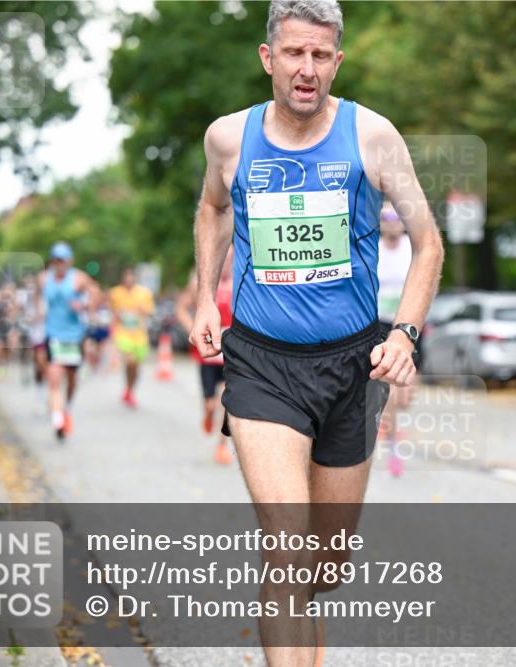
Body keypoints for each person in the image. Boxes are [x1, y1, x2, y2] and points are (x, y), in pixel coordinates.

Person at [188, 2, 444, 664]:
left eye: (321, 56)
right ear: (268, 57)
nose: (307, 70)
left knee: (323, 565)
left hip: (352, 366)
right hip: (262, 365)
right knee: (286, 542)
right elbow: (213, 208)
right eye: (294, 54)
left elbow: (428, 241)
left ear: (338, 61)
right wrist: (205, 302)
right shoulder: (229, 138)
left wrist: (406, 334)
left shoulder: (373, 136)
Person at [175, 248, 235, 464]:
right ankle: (208, 413)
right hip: (208, 355)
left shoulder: (242, 282)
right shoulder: (201, 285)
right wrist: (193, 328)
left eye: (230, 259)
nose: (227, 263)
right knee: (211, 403)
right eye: (224, 259)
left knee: (226, 399)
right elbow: (181, 308)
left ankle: (221, 445)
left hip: (231, 354)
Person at [38, 242, 100, 440]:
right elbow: (38, 301)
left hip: (74, 337)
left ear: (70, 260)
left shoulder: (78, 278)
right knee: (54, 376)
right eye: (56, 259)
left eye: (63, 259)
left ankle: (66, 409)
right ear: (52, 261)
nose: (59, 263)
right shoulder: (43, 279)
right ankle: (57, 419)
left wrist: (84, 305)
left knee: (72, 379)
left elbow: (97, 294)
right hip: (53, 334)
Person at [376, 203, 415, 478]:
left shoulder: (412, 249)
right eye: (385, 217)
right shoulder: (373, 248)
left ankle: (389, 423)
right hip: (379, 323)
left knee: (405, 397)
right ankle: (393, 445)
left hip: (408, 324)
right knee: (390, 387)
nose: (391, 222)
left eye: (395, 217)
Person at [109, 267, 154, 409]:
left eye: (131, 277)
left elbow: (150, 311)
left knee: (135, 366)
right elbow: (113, 314)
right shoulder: (115, 293)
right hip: (123, 333)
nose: (128, 280)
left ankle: (129, 390)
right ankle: (128, 389)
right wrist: (112, 334)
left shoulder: (144, 293)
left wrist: (142, 310)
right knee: (129, 361)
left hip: (139, 335)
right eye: (126, 277)